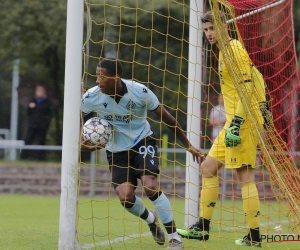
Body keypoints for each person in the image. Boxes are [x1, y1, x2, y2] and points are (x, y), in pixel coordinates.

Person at [81, 58, 204, 249]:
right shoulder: (91, 97)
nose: (98, 81)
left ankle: (174, 237)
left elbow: (169, 119)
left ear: (116, 77)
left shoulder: (140, 92)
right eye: (97, 76)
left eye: (102, 76)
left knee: (150, 186)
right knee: (125, 197)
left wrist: (187, 145)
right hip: (116, 150)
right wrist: (82, 144)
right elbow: (77, 123)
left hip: (142, 141)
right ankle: (150, 219)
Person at [176, 11, 272, 247]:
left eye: (213, 29)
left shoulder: (234, 50)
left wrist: (238, 124)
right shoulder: (224, 50)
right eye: (206, 30)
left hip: (242, 122)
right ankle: (203, 228)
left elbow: (247, 88)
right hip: (233, 122)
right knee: (208, 167)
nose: (209, 34)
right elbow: (256, 77)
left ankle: (254, 236)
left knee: (245, 178)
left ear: (224, 27)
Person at [21, 84, 52, 161]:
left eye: (40, 91)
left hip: (42, 126)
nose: (38, 92)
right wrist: (30, 107)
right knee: (28, 140)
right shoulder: (33, 101)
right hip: (33, 125)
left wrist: (45, 124)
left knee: (41, 141)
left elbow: (49, 115)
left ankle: (41, 158)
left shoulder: (47, 102)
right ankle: (24, 157)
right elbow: (28, 113)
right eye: (37, 91)